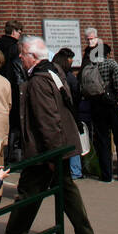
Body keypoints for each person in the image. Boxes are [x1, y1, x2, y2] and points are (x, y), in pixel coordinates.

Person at [0, 35, 97, 234]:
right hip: (63, 145)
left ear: (33, 56)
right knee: (67, 191)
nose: (20, 57)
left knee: (28, 192)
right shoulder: (55, 73)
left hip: (46, 150)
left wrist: (51, 156)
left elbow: (47, 120)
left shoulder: (38, 81)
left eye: (23, 54)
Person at [80, 41, 118, 182]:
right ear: (107, 53)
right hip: (111, 104)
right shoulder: (110, 64)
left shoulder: (89, 67)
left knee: (103, 141)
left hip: (96, 106)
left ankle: (106, 174)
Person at [0, 21, 24, 162]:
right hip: (11, 88)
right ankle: (10, 155)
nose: (20, 34)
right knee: (13, 124)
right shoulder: (14, 48)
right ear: (14, 31)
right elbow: (17, 71)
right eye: (19, 31)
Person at [53, 48, 84, 180]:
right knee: (73, 141)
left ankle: (70, 171)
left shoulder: (55, 73)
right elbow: (75, 93)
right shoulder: (68, 76)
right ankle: (75, 171)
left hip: (59, 112)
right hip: (69, 112)